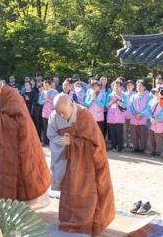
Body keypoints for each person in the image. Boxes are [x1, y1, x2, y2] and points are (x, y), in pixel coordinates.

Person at [47, 93, 115, 235]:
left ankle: (86, 222)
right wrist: (62, 141)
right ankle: (68, 219)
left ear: (72, 105)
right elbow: (51, 135)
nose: (60, 114)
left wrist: (73, 142)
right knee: (68, 189)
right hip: (67, 160)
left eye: (63, 112)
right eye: (58, 111)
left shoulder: (85, 116)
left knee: (85, 191)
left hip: (86, 163)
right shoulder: (54, 116)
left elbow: (96, 143)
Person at [0, 73, 50, 209]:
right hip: (5, 145)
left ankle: (23, 206)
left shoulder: (13, 97)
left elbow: (22, 122)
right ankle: (8, 204)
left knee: (24, 173)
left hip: (20, 143)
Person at [106, 80, 128, 152]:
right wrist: (112, 100)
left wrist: (117, 100)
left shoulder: (124, 95)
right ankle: (113, 147)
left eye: (118, 86)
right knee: (112, 133)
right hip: (111, 118)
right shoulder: (109, 95)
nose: (116, 87)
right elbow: (106, 105)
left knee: (119, 133)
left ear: (121, 87)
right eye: (115, 86)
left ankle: (120, 148)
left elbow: (124, 105)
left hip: (119, 118)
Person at [129, 80, 150, 153]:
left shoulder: (148, 97)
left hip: (143, 118)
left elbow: (148, 107)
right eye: (138, 86)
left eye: (141, 85)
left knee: (143, 134)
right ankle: (136, 147)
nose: (139, 87)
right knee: (134, 133)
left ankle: (142, 148)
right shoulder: (133, 96)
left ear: (144, 87)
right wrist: (135, 114)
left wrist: (140, 114)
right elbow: (131, 106)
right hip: (134, 117)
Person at [146, 88, 163, 158]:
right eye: (155, 92)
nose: (156, 94)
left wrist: (156, 119)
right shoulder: (151, 101)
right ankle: (152, 151)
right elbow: (147, 110)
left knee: (159, 140)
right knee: (151, 139)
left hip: (159, 122)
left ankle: (158, 153)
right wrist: (151, 118)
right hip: (152, 122)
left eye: (157, 92)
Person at [38, 80, 58, 147]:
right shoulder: (43, 92)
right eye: (44, 86)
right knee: (45, 127)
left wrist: (50, 100)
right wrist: (44, 100)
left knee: (52, 127)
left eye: (47, 85)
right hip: (45, 112)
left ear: (50, 85)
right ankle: (45, 141)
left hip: (52, 112)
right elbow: (39, 101)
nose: (45, 87)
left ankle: (52, 140)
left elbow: (57, 102)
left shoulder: (55, 92)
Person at [123, 80, 136, 150]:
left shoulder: (136, 94)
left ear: (133, 86)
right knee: (124, 129)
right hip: (124, 115)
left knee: (132, 129)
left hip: (132, 115)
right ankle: (125, 142)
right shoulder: (123, 94)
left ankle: (132, 142)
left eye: (131, 85)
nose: (129, 86)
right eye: (128, 85)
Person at [100, 76, 111, 140]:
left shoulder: (108, 89)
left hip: (106, 110)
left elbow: (109, 99)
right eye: (103, 80)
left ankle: (104, 137)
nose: (104, 81)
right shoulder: (98, 88)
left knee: (105, 124)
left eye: (105, 80)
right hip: (99, 109)